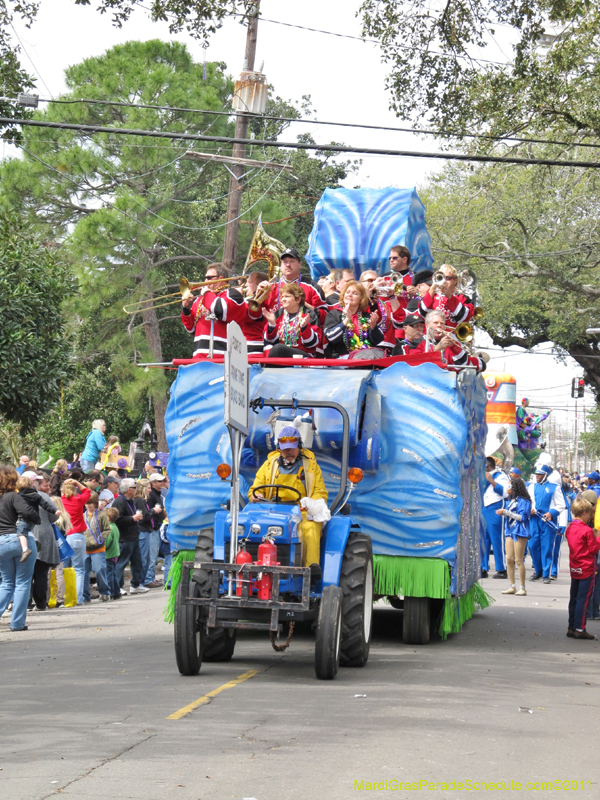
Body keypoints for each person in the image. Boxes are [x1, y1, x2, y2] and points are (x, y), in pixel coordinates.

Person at [248, 426, 328, 582]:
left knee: (310, 527)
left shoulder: (311, 467)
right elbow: (254, 489)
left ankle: (310, 571)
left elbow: (321, 492)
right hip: (272, 510)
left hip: (301, 512)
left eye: (292, 449)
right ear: (279, 449)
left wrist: (311, 502)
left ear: (299, 447)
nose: (289, 452)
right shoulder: (269, 466)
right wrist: (256, 495)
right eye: (285, 450)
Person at [0, 465, 40, 631]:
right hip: (19, 539)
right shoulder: (14, 496)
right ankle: (17, 623)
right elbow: (28, 513)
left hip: (1, 541)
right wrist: (35, 517)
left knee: (6, 583)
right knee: (23, 582)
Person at [181, 262, 247, 357]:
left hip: (222, 356)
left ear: (220, 278)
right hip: (198, 356)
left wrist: (207, 293)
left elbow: (220, 310)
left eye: (209, 278)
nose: (205, 281)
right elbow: (191, 329)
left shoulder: (232, 294)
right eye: (205, 277)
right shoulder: (200, 299)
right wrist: (185, 307)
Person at [258, 248, 327, 322]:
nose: (288, 265)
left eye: (292, 261)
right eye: (285, 262)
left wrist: (306, 306)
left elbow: (325, 316)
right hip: (274, 330)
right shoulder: (270, 286)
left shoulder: (312, 286)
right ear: (281, 265)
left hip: (302, 330)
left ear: (300, 265)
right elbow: (255, 317)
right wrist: (258, 296)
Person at [323, 280, 386, 359]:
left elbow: (378, 340)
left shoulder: (366, 316)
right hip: (341, 359)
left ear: (360, 299)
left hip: (364, 357)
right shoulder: (334, 314)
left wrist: (373, 327)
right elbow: (331, 337)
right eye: (347, 292)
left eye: (355, 293)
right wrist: (346, 320)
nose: (350, 295)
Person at [565, 497, 600, 640]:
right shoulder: (586, 530)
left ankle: (572, 626)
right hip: (586, 568)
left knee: (574, 597)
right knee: (583, 599)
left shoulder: (570, 528)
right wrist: (597, 537)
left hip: (575, 567)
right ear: (585, 512)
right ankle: (580, 628)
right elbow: (594, 549)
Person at [414, 310, 486, 372]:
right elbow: (416, 365)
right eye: (435, 323)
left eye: (442, 323)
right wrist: (437, 349)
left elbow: (462, 365)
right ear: (427, 326)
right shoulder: (416, 343)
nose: (439, 325)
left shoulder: (448, 343)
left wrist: (454, 346)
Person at [263, 283, 320, 358]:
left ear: (298, 299)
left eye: (287, 296)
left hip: (303, 354)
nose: (283, 299)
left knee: (278, 348)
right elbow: (269, 341)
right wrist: (272, 324)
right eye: (282, 297)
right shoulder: (278, 314)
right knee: (269, 348)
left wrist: (304, 327)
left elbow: (312, 344)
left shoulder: (309, 315)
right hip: (281, 352)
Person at [527, 464, 563, 584]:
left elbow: (561, 505)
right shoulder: (531, 487)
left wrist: (551, 513)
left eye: (540, 474)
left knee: (547, 547)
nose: (537, 476)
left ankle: (546, 573)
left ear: (546, 475)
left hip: (547, 521)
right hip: (534, 519)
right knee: (532, 545)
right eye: (536, 474)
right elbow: (528, 501)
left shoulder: (555, 487)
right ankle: (538, 571)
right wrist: (529, 509)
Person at [113, 478, 148, 595]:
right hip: (124, 537)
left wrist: (136, 518)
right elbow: (117, 519)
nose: (136, 490)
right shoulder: (119, 501)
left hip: (133, 535)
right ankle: (118, 586)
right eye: (134, 488)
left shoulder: (130, 501)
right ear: (128, 490)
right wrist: (132, 518)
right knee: (122, 562)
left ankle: (136, 584)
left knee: (137, 561)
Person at [497, 478, 532, 596]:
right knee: (509, 559)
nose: (508, 488)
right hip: (510, 531)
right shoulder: (511, 501)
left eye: (509, 486)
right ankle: (512, 586)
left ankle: (522, 587)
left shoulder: (525, 501)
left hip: (520, 531)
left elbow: (522, 517)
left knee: (518, 559)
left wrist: (506, 512)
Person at [30, 473, 60, 611]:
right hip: (43, 534)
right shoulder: (44, 497)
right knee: (41, 572)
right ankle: (41, 604)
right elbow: (54, 516)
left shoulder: (16, 497)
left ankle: (25, 603)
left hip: (24, 536)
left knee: (26, 574)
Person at [15, 472, 59, 563]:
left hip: (20, 540)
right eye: (36, 481)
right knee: (42, 574)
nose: (38, 483)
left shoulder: (16, 496)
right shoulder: (41, 496)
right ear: (30, 482)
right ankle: (34, 540)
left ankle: (27, 547)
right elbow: (54, 516)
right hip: (43, 536)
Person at [60, 478, 92, 604]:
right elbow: (87, 492)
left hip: (64, 537)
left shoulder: (61, 502)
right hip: (77, 536)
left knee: (64, 568)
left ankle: (64, 598)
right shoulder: (78, 500)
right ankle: (78, 599)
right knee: (78, 569)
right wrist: (77, 482)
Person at [359, 270, 405, 352]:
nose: (374, 282)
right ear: (361, 284)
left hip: (390, 348)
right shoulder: (358, 302)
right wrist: (369, 293)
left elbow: (401, 321)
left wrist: (391, 296)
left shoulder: (386, 303)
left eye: (375, 280)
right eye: (370, 280)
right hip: (369, 348)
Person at [418, 264, 474, 330]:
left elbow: (464, 317)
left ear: (455, 281)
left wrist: (449, 296)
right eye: (441, 277)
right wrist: (433, 288)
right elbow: (422, 313)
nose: (444, 280)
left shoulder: (462, 298)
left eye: (447, 278)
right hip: (434, 337)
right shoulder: (432, 296)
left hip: (453, 337)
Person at [481, 457, 510, 579]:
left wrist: (492, 481)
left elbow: (506, 493)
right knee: (483, 540)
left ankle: (501, 569)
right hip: (484, 508)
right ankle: (483, 568)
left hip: (495, 508)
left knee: (496, 539)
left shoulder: (501, 476)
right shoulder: (481, 476)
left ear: (487, 464)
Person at [82, 492, 112, 603]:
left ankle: (104, 592)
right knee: (84, 572)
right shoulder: (83, 516)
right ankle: (85, 595)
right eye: (86, 504)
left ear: (95, 503)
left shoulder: (101, 515)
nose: (88, 506)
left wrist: (101, 539)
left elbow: (107, 529)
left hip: (98, 548)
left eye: (90, 503)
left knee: (100, 570)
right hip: (85, 549)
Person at [144, 473, 167, 587]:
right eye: (159, 481)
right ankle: (148, 579)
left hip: (157, 527)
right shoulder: (151, 496)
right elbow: (148, 513)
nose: (162, 483)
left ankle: (151, 577)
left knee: (154, 554)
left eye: (163, 481)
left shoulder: (157, 494)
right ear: (153, 483)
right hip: (153, 528)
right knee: (151, 555)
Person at [240, 270, 268, 353]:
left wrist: (236, 298)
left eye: (249, 282)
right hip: (243, 343)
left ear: (259, 285)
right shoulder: (248, 300)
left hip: (254, 346)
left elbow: (251, 315)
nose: (245, 285)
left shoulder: (261, 302)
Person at [102, 505, 121, 600]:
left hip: (109, 554)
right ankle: (117, 591)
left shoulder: (109, 528)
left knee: (108, 574)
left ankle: (110, 591)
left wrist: (102, 547)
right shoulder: (115, 527)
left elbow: (107, 542)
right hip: (115, 553)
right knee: (113, 573)